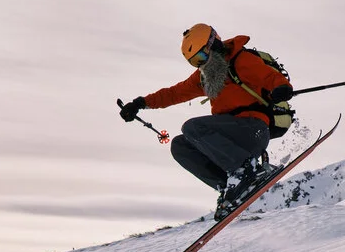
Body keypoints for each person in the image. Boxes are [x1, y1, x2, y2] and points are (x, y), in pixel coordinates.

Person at [120, 24, 294, 219]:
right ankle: (230, 185)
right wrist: (140, 103)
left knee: (192, 127)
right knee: (179, 145)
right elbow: (174, 93)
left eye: (202, 56)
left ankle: (243, 171)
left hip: (252, 130)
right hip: (230, 140)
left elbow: (270, 77)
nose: (201, 64)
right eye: (194, 61)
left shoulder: (241, 60)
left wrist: (282, 87)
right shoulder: (206, 77)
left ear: (214, 44)